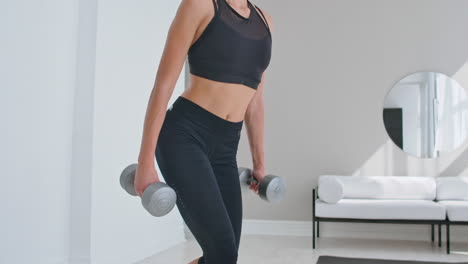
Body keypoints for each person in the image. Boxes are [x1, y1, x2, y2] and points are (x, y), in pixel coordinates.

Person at [135, 0, 273, 263]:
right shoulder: (199, 5)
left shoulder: (265, 21)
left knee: (223, 257)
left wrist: (260, 164)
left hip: (226, 148)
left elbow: (255, 102)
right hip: (184, 138)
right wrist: (145, 162)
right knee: (222, 252)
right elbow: (163, 86)